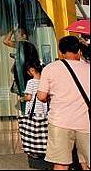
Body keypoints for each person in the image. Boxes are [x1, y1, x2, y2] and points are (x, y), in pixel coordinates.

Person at [37, 36, 90, 170]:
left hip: (60, 122)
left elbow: (41, 96)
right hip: (86, 123)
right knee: (87, 163)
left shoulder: (50, 68)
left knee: (61, 164)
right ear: (79, 50)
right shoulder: (88, 69)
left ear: (60, 52)